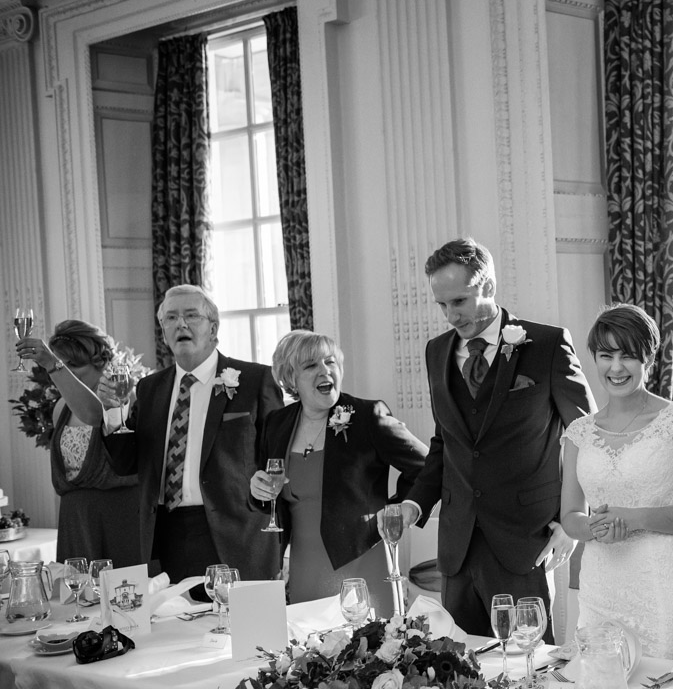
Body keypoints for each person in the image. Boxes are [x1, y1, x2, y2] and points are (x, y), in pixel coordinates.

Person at [399, 238, 594, 640]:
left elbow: (586, 437)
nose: (451, 315)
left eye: (460, 301)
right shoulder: (436, 352)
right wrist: (414, 502)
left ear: (488, 286)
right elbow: (446, 442)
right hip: (457, 545)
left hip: (526, 540)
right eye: (442, 305)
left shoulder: (547, 344)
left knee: (529, 670)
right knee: (459, 675)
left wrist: (575, 520)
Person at [95, 285, 284, 584]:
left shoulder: (255, 380)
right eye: (171, 318)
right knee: (177, 628)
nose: (180, 324)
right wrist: (113, 411)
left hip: (237, 535)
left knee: (238, 629)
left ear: (213, 327)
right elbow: (125, 464)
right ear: (163, 332)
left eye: (191, 315)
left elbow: (278, 457)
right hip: (165, 536)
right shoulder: (149, 389)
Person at [560, 305, 673, 661]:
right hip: (602, 587)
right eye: (606, 355)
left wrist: (633, 519)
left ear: (648, 358)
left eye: (628, 355)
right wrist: (595, 528)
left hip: (665, 585)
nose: (616, 367)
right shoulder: (578, 433)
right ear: (594, 359)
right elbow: (569, 516)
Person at [249, 330, 428, 607]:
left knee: (369, 646)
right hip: (304, 566)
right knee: (311, 647)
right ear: (291, 378)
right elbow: (267, 490)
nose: (325, 371)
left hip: (362, 560)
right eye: (311, 366)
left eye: (330, 362)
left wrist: (397, 507)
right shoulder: (277, 423)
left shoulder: (368, 416)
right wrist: (257, 490)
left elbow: (426, 466)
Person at [15, 321, 140, 566]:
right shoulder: (60, 408)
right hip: (75, 518)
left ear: (100, 361)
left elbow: (94, 414)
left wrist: (53, 364)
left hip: (119, 515)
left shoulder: (125, 397)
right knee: (78, 597)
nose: (66, 372)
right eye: (62, 364)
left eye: (73, 365)